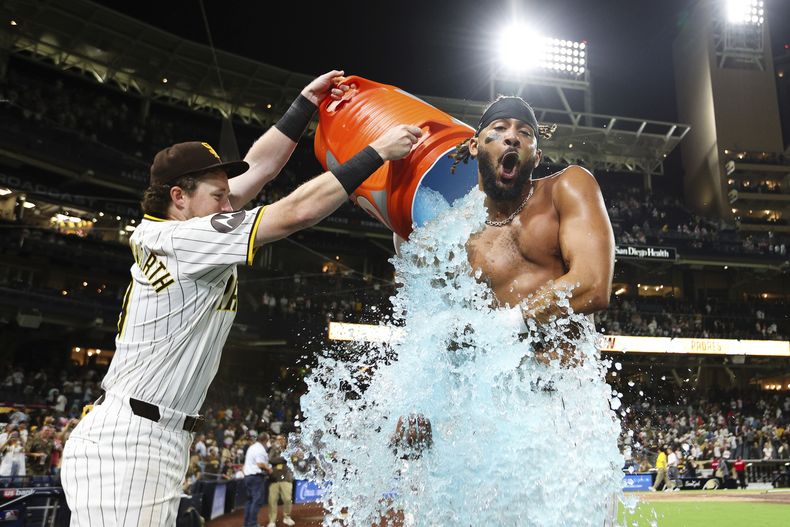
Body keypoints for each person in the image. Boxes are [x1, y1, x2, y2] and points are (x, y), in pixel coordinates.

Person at [60, 68, 423, 527]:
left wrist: (305, 104)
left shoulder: (183, 226)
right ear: (179, 196)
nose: (230, 203)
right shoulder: (184, 239)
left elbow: (262, 166)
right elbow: (293, 213)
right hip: (132, 440)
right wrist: (376, 152)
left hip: (148, 433)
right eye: (219, 195)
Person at [392, 95, 616, 453]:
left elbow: (592, 285)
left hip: (564, 404)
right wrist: (417, 402)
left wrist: (507, 324)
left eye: (525, 133)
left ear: (536, 156)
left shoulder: (567, 188)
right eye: (499, 129)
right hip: (491, 415)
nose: (512, 137)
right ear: (475, 145)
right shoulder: (449, 233)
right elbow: (431, 323)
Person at [242, 432, 272, 527]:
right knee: (256, 501)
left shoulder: (252, 447)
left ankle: (247, 523)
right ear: (265, 440)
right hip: (255, 477)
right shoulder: (260, 449)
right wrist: (269, 469)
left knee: (250, 501)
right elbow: (260, 464)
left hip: (248, 477)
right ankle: (252, 523)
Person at [266, 435, 295, 527]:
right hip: (274, 478)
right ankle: (272, 521)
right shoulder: (273, 449)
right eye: (278, 440)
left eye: (281, 439)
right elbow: (270, 459)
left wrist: (278, 460)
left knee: (287, 499)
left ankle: (287, 517)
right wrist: (283, 459)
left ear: (285, 440)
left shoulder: (289, 449)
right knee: (272, 500)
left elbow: (292, 460)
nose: (280, 441)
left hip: (286, 478)